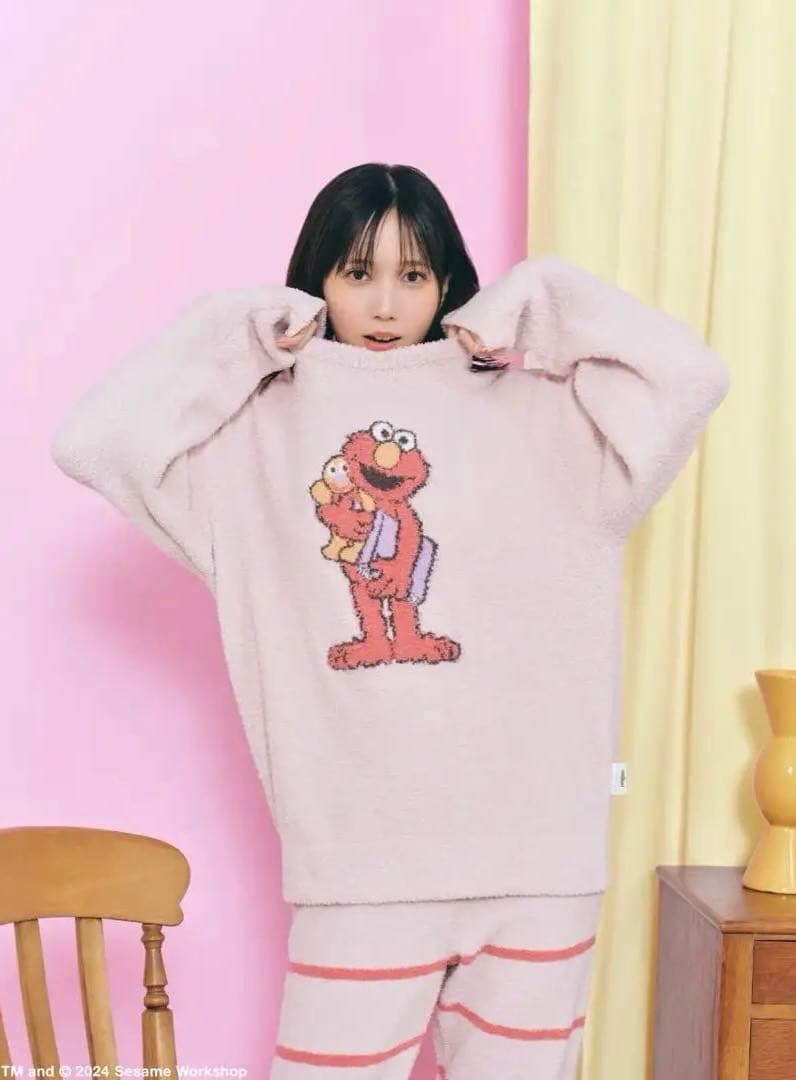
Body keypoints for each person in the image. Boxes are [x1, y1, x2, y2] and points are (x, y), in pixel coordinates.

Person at [50, 162, 731, 1078]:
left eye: (412, 275)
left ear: (448, 281)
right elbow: (95, 443)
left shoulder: (555, 417)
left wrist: (541, 304)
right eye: (356, 272)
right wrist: (236, 338)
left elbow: (691, 377)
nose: (382, 304)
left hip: (538, 867)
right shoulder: (256, 437)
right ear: (318, 278)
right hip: (361, 872)